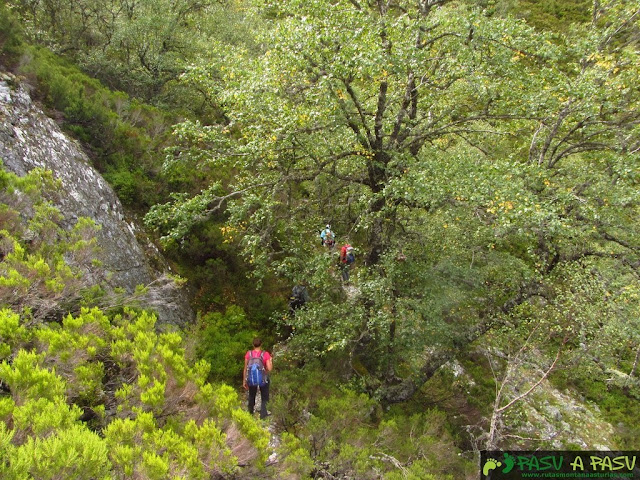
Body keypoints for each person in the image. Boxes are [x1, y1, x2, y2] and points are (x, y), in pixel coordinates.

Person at [243, 337, 273, 419]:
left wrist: (244, 381)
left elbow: (245, 368)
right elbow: (269, 369)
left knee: (251, 395)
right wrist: (270, 360)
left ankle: (250, 413)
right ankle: (263, 415)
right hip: (263, 379)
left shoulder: (248, 354)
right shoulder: (265, 354)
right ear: (261, 344)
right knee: (264, 397)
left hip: (251, 379)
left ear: (253, 345)